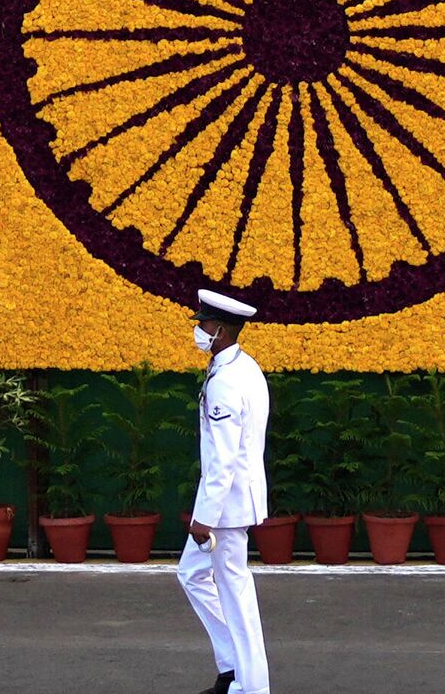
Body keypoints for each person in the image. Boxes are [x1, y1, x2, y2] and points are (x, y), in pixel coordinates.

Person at [178, 288, 271, 694]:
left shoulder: (227, 382)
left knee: (238, 600)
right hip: (230, 502)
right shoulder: (243, 367)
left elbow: (223, 458)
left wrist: (205, 518)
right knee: (192, 575)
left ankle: (252, 687)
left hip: (226, 510)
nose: (199, 330)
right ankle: (233, 668)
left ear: (220, 330)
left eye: (204, 324)